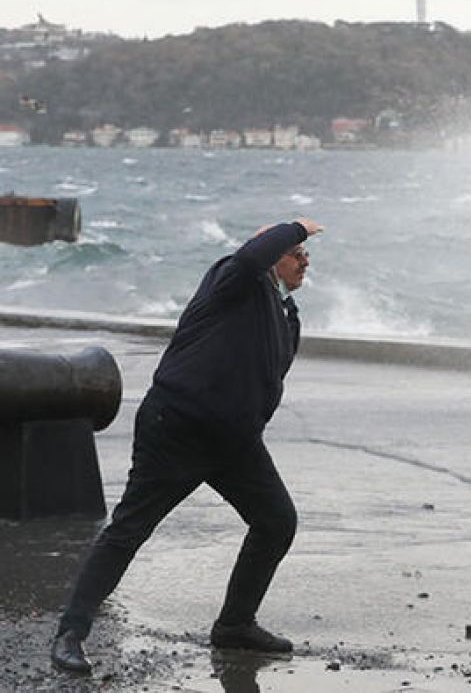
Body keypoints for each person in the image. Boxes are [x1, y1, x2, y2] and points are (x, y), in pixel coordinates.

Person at [51, 218, 324, 674]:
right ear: (271, 252)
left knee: (276, 521)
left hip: (234, 442)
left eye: (304, 253)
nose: (305, 260)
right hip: (176, 428)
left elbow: (267, 377)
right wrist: (295, 226)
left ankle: (235, 625)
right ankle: (70, 634)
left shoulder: (285, 313)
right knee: (128, 531)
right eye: (296, 252)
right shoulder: (233, 278)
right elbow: (250, 255)